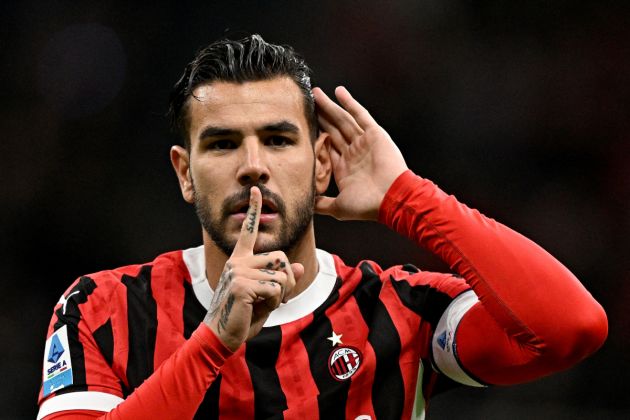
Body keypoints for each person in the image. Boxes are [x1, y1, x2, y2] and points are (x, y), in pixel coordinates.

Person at [37, 34, 608, 420]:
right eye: (222, 143)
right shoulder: (102, 308)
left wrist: (407, 198)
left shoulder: (399, 313)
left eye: (279, 139)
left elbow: (571, 328)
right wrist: (214, 343)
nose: (253, 164)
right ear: (185, 174)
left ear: (323, 164)